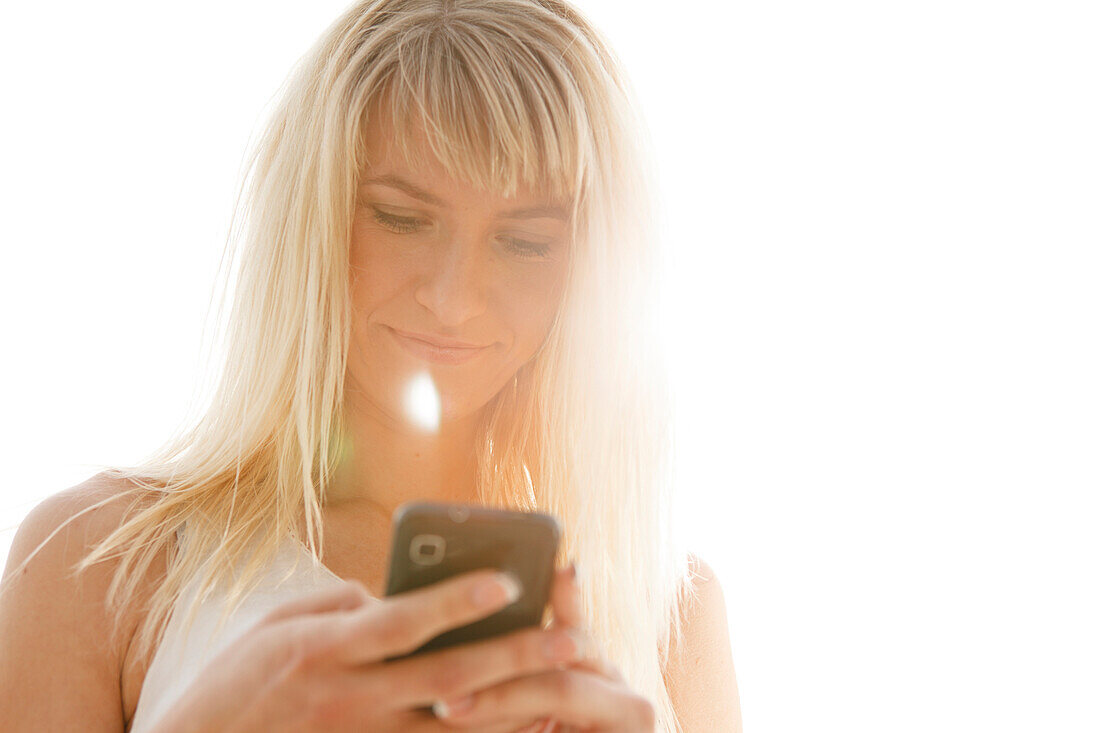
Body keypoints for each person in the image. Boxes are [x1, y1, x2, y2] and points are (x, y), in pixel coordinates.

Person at [0, 0, 741, 731]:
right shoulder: (104, 560)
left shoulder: (670, 615)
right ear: (314, 219)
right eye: (401, 218)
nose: (453, 300)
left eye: (524, 242)